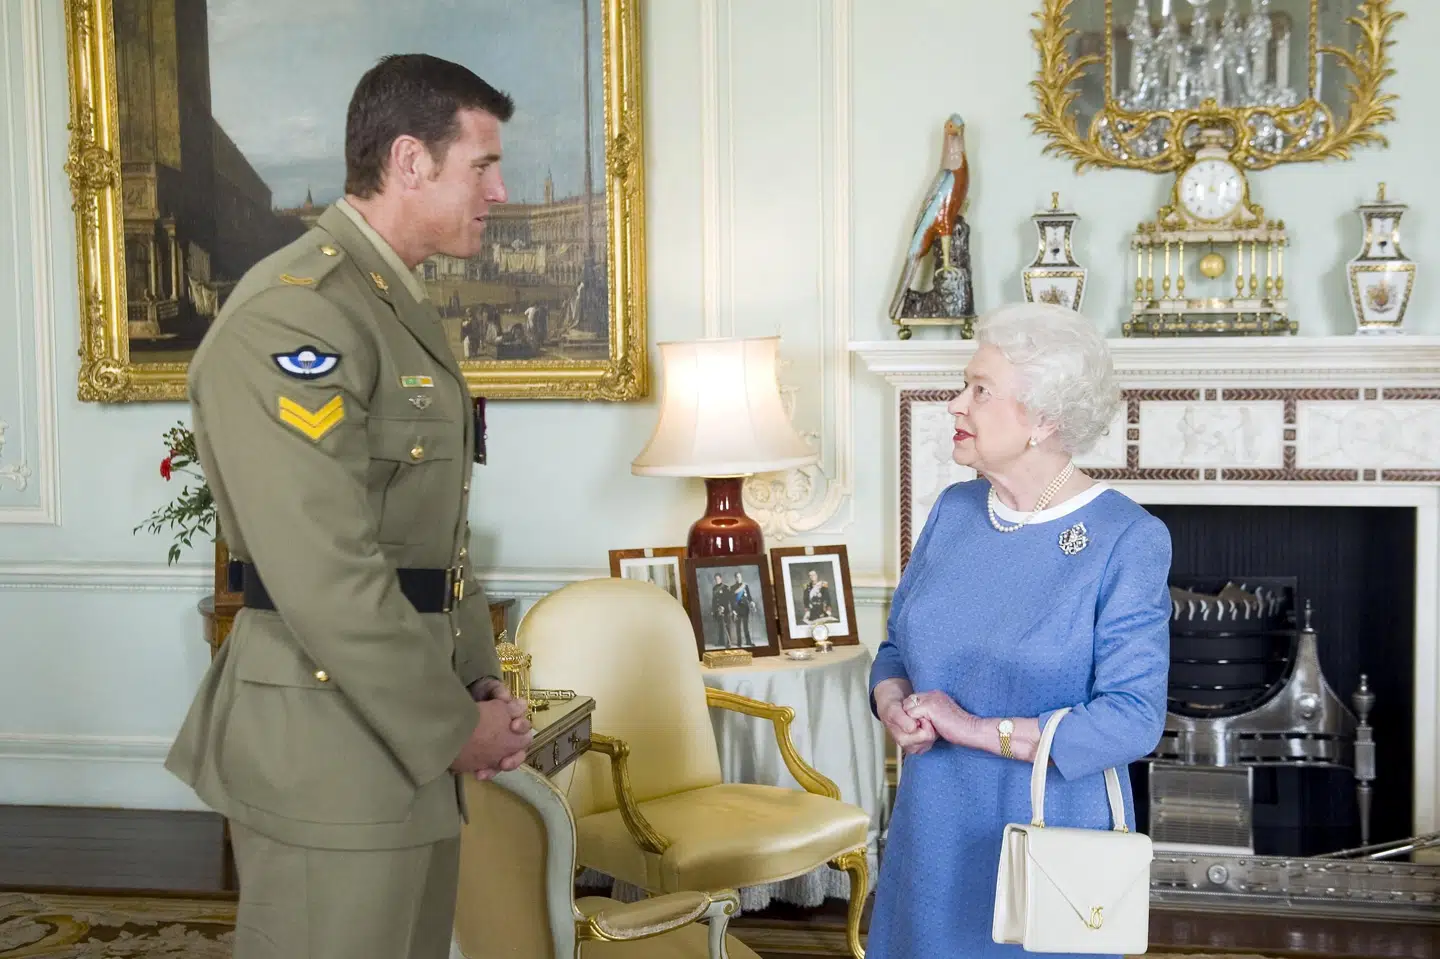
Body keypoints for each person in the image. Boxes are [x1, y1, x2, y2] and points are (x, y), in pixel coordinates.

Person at [164, 54, 533, 959]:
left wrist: (475, 679)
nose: (500, 191)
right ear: (410, 161)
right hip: (329, 750)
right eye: (483, 165)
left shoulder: (388, 303)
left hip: (401, 734)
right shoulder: (298, 317)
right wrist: (454, 726)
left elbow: (432, 541)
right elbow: (325, 571)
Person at [867, 302, 1172, 959]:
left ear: (1043, 418)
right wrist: (892, 702)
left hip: (1046, 845)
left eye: (980, 390)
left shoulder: (1127, 538)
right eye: (963, 386)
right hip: (931, 830)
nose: (956, 404)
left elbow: (1132, 719)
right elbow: (897, 649)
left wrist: (972, 728)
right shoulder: (954, 509)